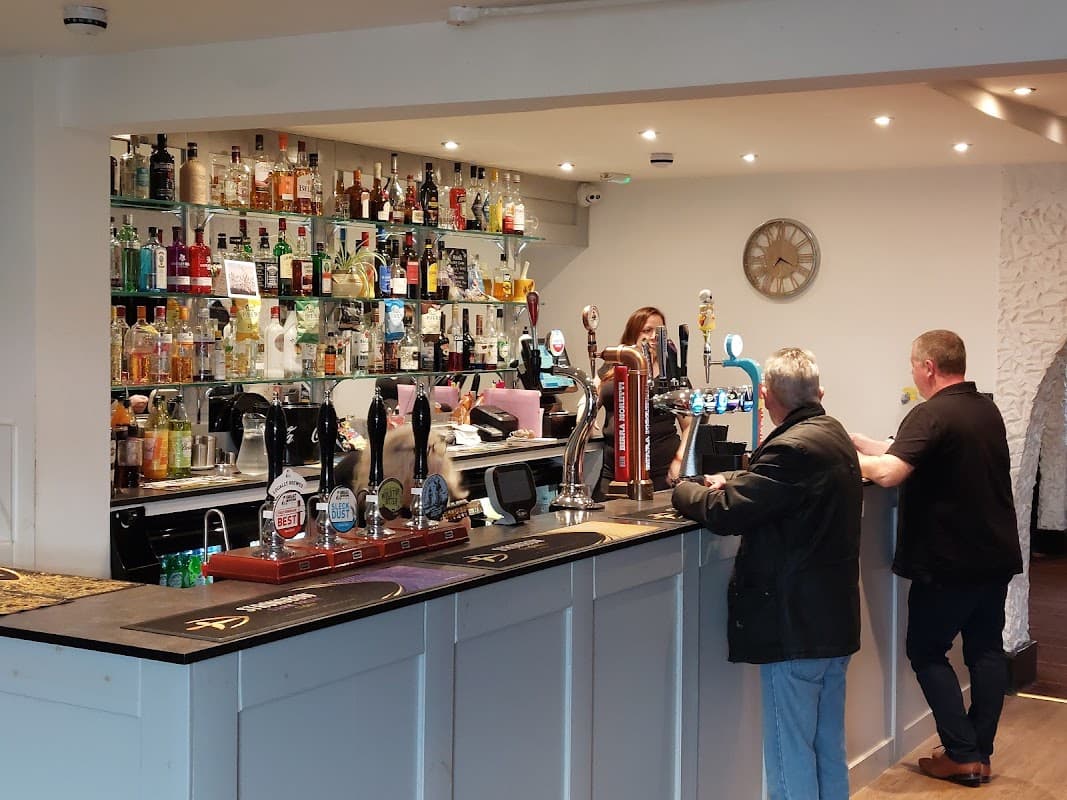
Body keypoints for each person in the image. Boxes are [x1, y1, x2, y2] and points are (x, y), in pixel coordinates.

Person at [672, 347, 862, 800]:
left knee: (788, 752)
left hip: (795, 626)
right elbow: (780, 496)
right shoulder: (831, 434)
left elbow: (723, 512)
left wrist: (683, 490)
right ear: (818, 392)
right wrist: (740, 482)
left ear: (766, 395)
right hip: (832, 621)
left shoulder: (791, 447)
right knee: (826, 747)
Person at [852, 330, 1022, 787]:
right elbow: (920, 453)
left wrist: (840, 456)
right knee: (986, 650)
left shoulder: (929, 413)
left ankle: (962, 753)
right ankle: (978, 753)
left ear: (928, 367)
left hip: (950, 562)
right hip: (995, 555)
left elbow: (890, 473)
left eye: (912, 364)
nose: (912, 372)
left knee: (926, 651)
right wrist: (864, 442)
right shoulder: (984, 408)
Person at [593, 306, 690, 499]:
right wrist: (585, 420)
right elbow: (590, 398)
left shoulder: (671, 374)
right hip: (614, 472)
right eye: (647, 330)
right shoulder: (612, 367)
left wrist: (679, 461)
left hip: (660, 471)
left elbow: (689, 425)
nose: (654, 336)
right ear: (633, 333)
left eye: (660, 332)